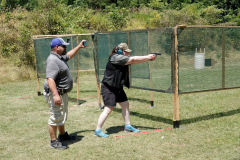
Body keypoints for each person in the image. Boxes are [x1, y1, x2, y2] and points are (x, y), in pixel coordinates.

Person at [95, 43, 156, 138]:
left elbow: (133, 61)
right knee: (108, 109)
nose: (127, 54)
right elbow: (132, 59)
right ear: (120, 51)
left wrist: (148, 58)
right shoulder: (115, 57)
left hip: (117, 86)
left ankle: (127, 126)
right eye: (126, 52)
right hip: (109, 87)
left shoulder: (122, 58)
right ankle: (98, 130)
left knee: (125, 104)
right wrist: (148, 57)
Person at [43, 38, 86, 149]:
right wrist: (56, 95)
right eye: (64, 46)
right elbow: (50, 79)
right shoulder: (52, 60)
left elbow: (69, 55)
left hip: (61, 93)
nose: (66, 48)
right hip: (55, 93)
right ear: (57, 47)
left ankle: (62, 136)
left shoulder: (59, 57)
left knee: (61, 115)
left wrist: (79, 47)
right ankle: (53, 141)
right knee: (55, 116)